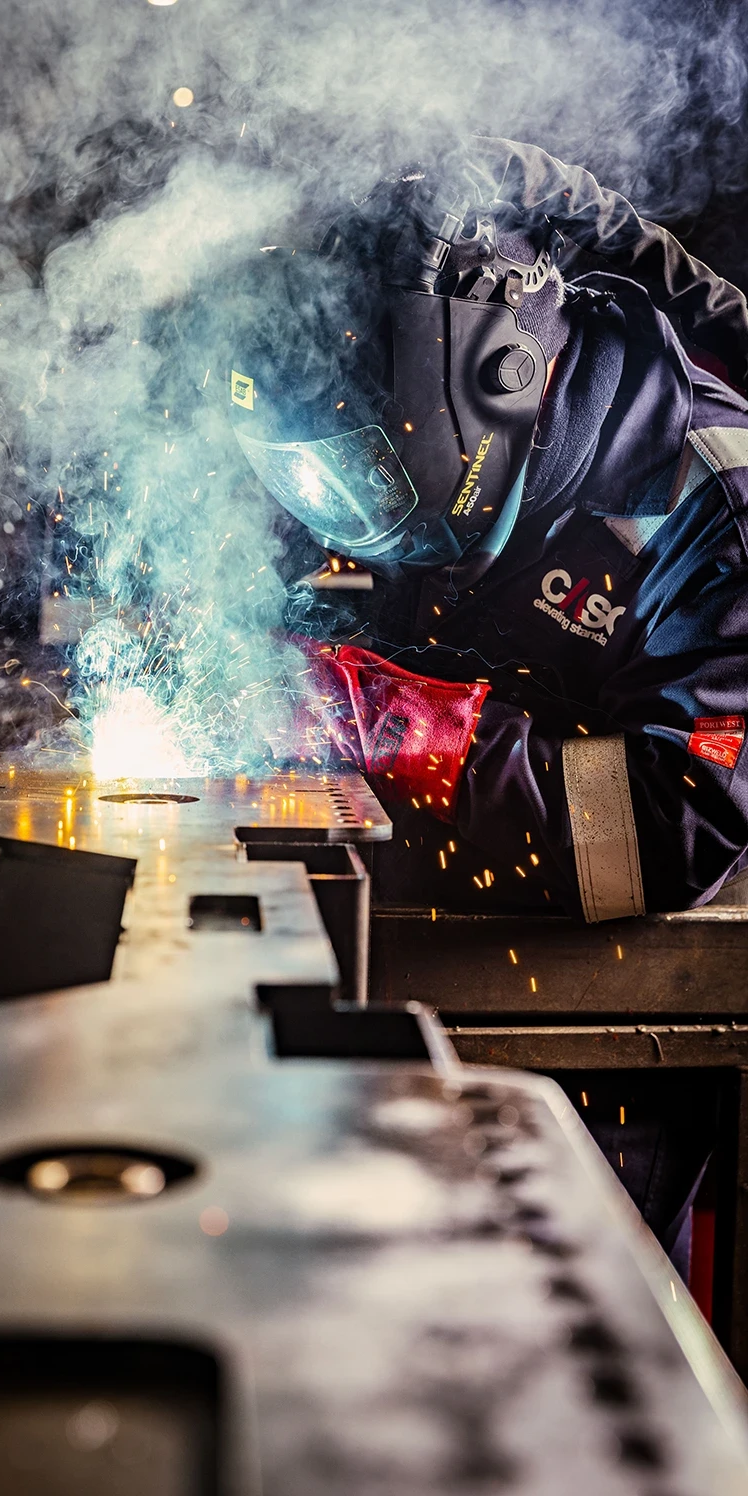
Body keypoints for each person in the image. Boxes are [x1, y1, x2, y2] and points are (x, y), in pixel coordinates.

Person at [221, 137, 748, 1275]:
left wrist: (380, 722)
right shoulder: (419, 457)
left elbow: (661, 830)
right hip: (418, 990)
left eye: (359, 473)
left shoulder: (706, 503)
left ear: (500, 382)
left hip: (613, 1041)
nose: (344, 516)